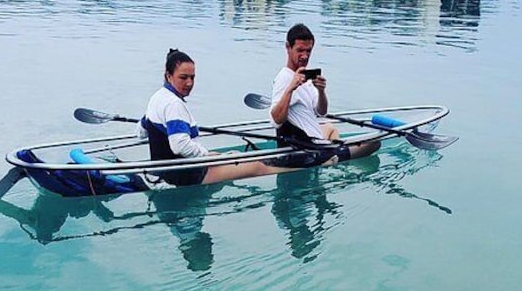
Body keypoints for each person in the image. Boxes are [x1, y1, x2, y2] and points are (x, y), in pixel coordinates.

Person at [138, 49, 298, 186]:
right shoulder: (173, 104)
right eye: (183, 77)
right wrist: (206, 156)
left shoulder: (158, 97)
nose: (189, 83)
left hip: (165, 168)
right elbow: (180, 146)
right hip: (183, 175)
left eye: (192, 77)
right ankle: (298, 168)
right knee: (257, 166)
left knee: (229, 156)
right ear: (168, 76)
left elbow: (141, 130)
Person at [270, 24, 380, 165]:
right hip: (307, 150)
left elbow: (321, 112)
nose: (305, 56)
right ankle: (331, 159)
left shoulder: (305, 76)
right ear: (288, 47)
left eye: (309, 51)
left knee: (328, 125)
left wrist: (321, 91)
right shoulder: (284, 78)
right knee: (374, 144)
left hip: (313, 142)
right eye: (300, 50)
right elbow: (276, 121)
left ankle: (332, 152)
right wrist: (290, 89)